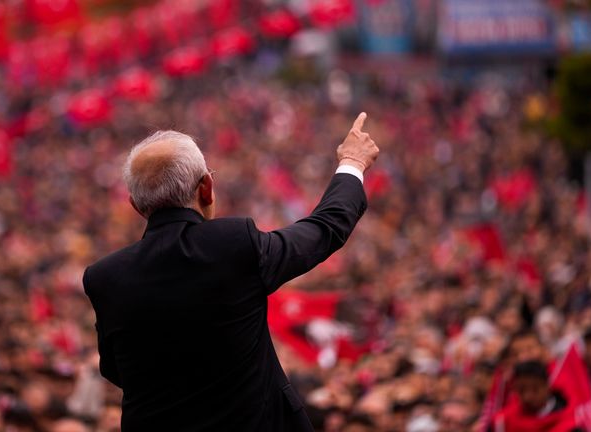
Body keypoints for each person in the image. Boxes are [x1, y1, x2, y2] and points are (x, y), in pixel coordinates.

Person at [82, 113, 379, 431]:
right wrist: (352, 162)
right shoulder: (233, 244)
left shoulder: (104, 277)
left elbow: (115, 369)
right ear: (207, 187)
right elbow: (323, 229)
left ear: (136, 206)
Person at [490, 361, 579, 432]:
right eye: (521, 390)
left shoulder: (569, 422)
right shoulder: (503, 423)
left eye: (535, 390)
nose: (527, 397)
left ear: (547, 387)